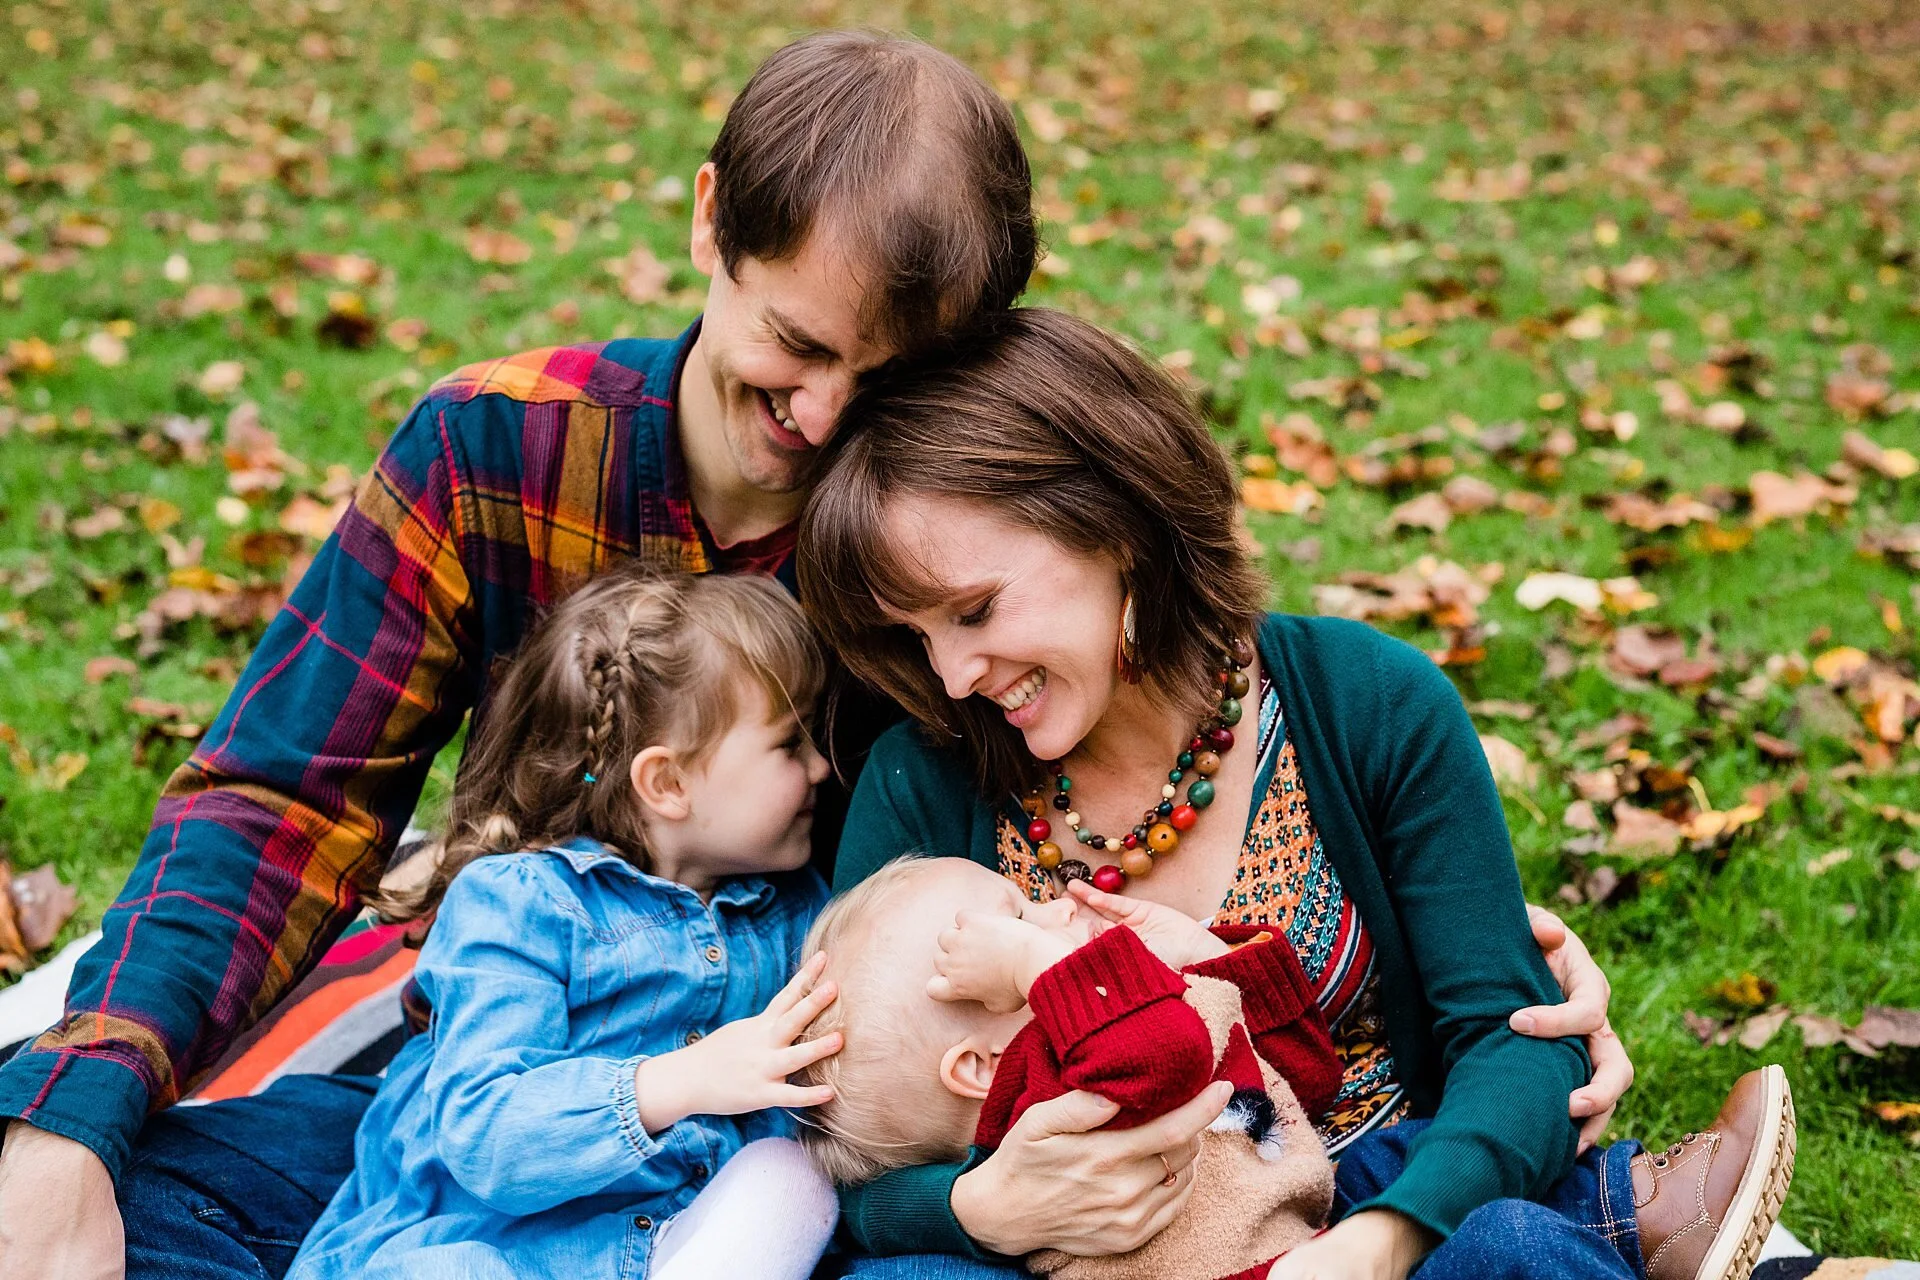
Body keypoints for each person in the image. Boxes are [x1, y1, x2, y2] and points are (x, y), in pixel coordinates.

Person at [0, 30, 1036, 1280]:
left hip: (805, 1151)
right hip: (508, 1107)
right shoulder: (490, 449)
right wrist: (72, 1117)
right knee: (106, 1206)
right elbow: (283, 804)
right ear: (711, 222)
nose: (821, 421)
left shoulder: (950, 547)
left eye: (881, 383)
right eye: (799, 346)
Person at [796, 307, 1796, 1280]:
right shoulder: (921, 777)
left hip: (1371, 1205)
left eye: (974, 609)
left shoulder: (1366, 701)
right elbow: (846, 1136)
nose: (956, 671)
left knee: (1507, 1246)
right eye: (918, 635)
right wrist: (978, 1204)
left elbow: (1517, 1040)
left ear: (1114, 525)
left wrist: (1379, 1242)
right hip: (1090, 1256)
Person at [285, 567, 841, 1280]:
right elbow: (486, 1136)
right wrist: (685, 1079)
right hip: (485, 1244)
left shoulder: (794, 910)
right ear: (667, 784)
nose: (822, 766)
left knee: (788, 1180)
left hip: (672, 1244)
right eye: (788, 745)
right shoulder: (522, 905)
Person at [797, 856, 1341, 1280]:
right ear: (984, 1069)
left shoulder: (1134, 1020)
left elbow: (1306, 1084)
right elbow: (1167, 1055)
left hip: (1309, 1237)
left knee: (1410, 1153)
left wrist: (1208, 956)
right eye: (1016, 927)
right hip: (1244, 1270)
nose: (1058, 911)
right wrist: (1040, 960)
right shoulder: (1056, 1090)